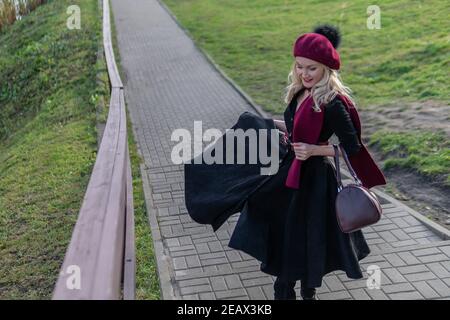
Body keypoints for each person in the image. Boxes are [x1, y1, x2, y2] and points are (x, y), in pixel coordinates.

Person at [184, 24, 386, 300]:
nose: (304, 73)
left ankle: (303, 292)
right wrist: (269, 124)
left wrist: (315, 150)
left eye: (312, 68)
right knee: (275, 223)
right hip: (288, 174)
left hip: (314, 183)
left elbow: (353, 150)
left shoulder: (333, 102)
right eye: (300, 66)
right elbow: (297, 126)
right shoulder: (299, 91)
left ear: (326, 69)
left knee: (306, 238)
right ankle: (289, 290)